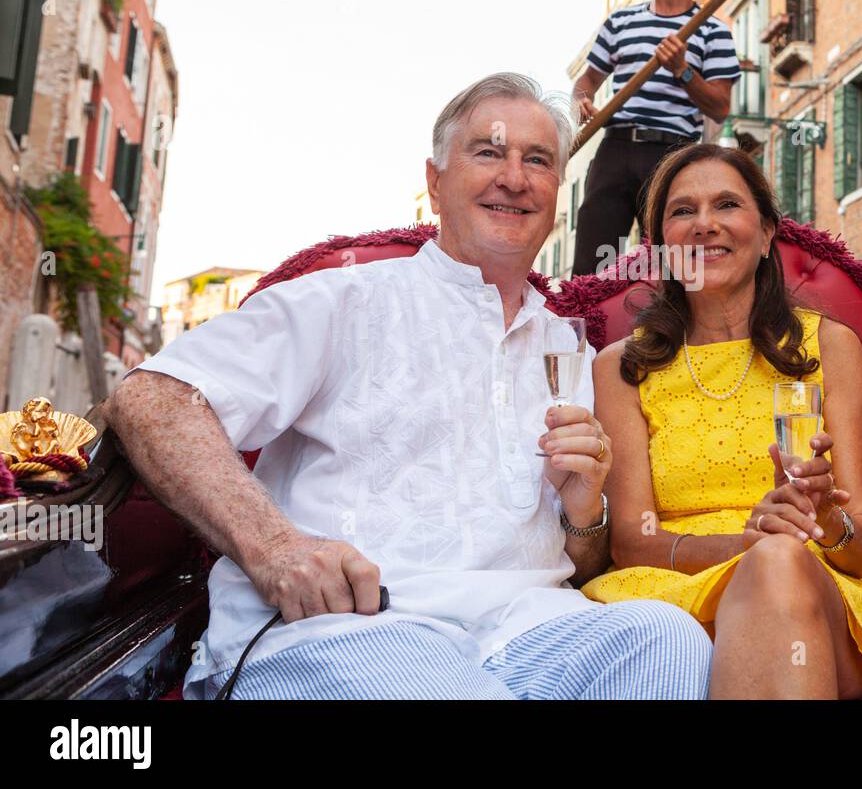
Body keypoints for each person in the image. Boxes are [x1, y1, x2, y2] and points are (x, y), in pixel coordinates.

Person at [105, 73, 712, 700]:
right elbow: (155, 396)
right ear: (434, 181)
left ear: (556, 191)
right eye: (488, 152)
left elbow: (581, 564)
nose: (515, 176)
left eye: (538, 160)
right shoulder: (344, 300)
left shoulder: (572, 348)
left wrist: (585, 513)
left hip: (528, 629)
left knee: (665, 638)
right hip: (357, 628)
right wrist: (275, 547)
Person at [581, 143, 862, 699]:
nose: (704, 225)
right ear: (660, 245)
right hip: (669, 603)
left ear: (768, 232)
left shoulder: (829, 346)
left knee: (779, 561)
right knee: (770, 556)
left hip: (812, 598)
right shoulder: (620, 367)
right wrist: (747, 543)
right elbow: (631, 540)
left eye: (727, 204)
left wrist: (821, 514)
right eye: (681, 211)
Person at [570, 0, 740, 276]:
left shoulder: (714, 31)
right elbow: (586, 82)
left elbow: (720, 107)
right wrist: (582, 99)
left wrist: (682, 70)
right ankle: (581, 331)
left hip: (673, 153)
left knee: (670, 262)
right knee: (593, 260)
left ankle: (668, 332)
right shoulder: (620, 23)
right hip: (615, 146)